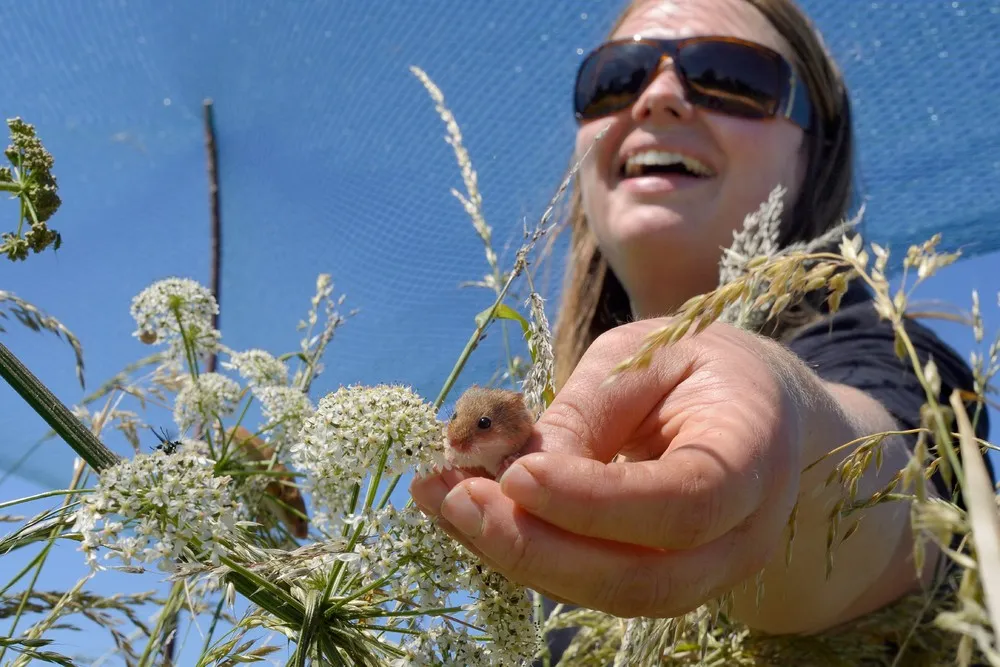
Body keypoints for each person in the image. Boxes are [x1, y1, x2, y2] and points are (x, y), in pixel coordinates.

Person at [411, 0, 992, 653]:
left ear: (815, 151)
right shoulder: (539, 405)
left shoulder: (879, 343)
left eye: (730, 76)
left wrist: (789, 438)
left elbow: (893, 488)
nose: (658, 97)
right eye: (615, 79)